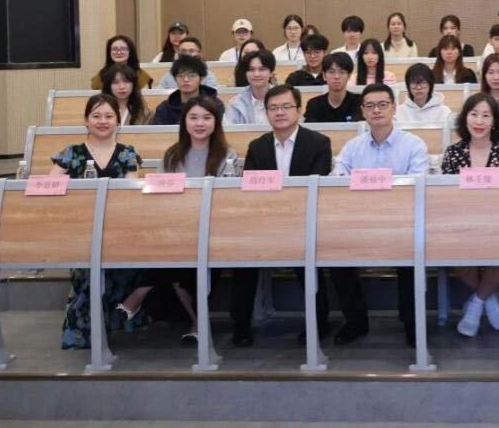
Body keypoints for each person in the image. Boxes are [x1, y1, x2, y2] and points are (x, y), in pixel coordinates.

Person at [116, 96, 232, 343]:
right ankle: (198, 324)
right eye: (193, 117)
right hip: (175, 226)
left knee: (178, 260)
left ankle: (138, 295)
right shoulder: (172, 154)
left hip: (212, 229)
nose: (199, 123)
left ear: (216, 122)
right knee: (176, 258)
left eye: (206, 118)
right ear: (184, 122)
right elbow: (159, 192)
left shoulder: (226, 154)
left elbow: (227, 198)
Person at [236, 85, 338, 347]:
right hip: (265, 222)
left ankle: (318, 323)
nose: (279, 112)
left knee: (309, 258)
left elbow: (316, 188)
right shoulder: (257, 146)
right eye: (273, 108)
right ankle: (241, 326)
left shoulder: (318, 142)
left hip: (305, 221)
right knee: (242, 255)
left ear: (299, 110)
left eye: (286, 106)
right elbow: (251, 189)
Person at [335, 83, 430, 347]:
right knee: (335, 255)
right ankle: (355, 321)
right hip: (360, 223)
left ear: (394, 108)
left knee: (413, 252)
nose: (376, 110)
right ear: (363, 111)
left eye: (382, 104)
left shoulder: (413, 145)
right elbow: (338, 180)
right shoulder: (352, 148)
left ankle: (411, 323)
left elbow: (418, 185)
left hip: (403, 223)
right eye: (370, 106)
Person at [47, 94, 142, 349]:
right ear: (86, 120)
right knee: (89, 272)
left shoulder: (127, 153)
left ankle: (110, 325)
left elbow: (131, 194)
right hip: (81, 230)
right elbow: (50, 187)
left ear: (118, 120)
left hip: (118, 229)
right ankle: (86, 331)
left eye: (109, 116)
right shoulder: (71, 153)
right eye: (96, 116)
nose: (103, 121)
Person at [440, 93, 499, 337]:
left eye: (486, 115)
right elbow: (445, 196)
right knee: (449, 248)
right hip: (462, 223)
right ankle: (489, 299)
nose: (479, 121)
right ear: (465, 118)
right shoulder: (453, 152)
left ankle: (476, 303)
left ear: (495, 121)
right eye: (474, 114)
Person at [151, 56, 225, 125]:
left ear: (201, 78)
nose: (186, 80)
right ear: (175, 79)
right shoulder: (165, 108)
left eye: (191, 76)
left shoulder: (215, 104)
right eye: (181, 76)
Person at [304, 52, 364, 123]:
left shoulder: (359, 102)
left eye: (342, 72)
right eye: (331, 72)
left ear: (349, 76)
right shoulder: (314, 104)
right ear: (324, 75)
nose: (336, 77)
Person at [226, 50, 276, 125]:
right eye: (251, 70)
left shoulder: (282, 99)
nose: (256, 74)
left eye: (262, 69)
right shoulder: (236, 103)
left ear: (271, 73)